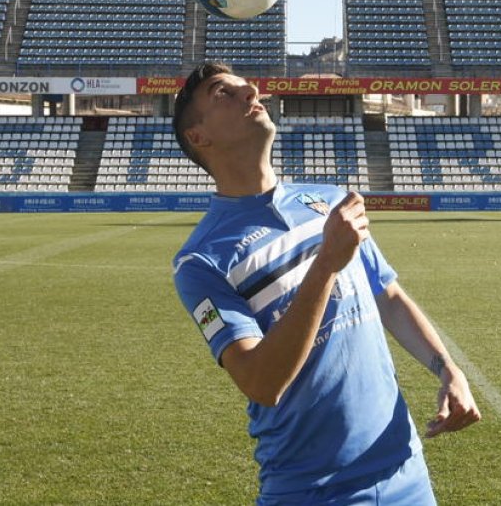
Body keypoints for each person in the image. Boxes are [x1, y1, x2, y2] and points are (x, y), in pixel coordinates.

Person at [170, 62, 481, 505]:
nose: (250, 92)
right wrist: (325, 265)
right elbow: (262, 382)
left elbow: (388, 296)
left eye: (246, 85)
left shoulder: (329, 201)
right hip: (312, 489)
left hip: (405, 470)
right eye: (223, 93)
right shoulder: (201, 260)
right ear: (198, 136)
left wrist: (447, 369)